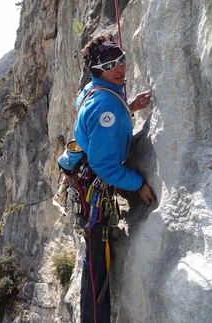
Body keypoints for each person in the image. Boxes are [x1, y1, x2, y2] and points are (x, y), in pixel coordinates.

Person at [74, 33, 155, 323]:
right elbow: (104, 166)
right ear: (98, 70)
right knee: (96, 265)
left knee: (95, 260)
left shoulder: (93, 90)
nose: (120, 68)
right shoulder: (106, 105)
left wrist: (128, 108)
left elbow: (88, 115)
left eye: (121, 59)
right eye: (111, 64)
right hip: (95, 188)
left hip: (84, 178)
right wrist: (138, 183)